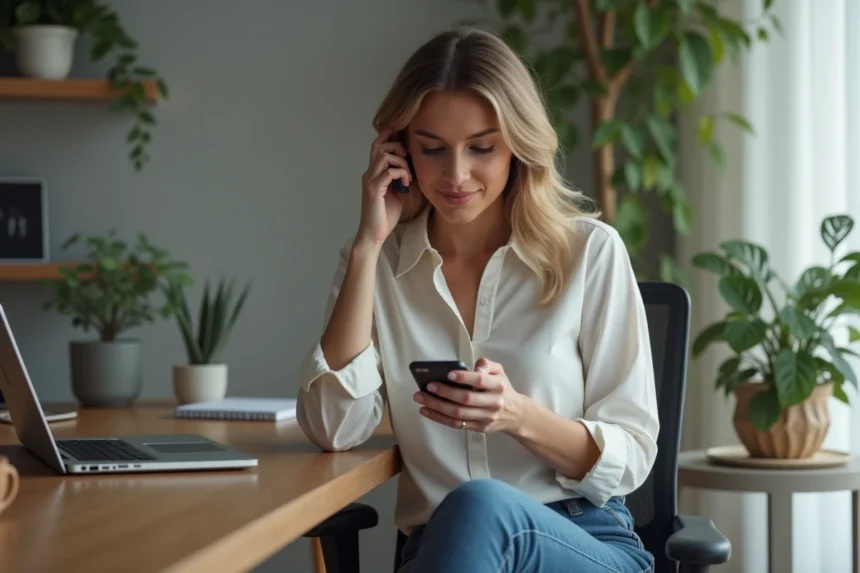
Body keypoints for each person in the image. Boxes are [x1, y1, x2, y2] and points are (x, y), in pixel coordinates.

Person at [297, 27, 659, 573]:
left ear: (517, 145)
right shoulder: (378, 264)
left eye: (482, 148)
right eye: (432, 149)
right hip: (443, 551)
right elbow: (333, 428)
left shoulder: (590, 253)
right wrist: (368, 245)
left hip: (581, 539)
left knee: (480, 505)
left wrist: (516, 414)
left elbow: (631, 454)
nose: (456, 174)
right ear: (399, 149)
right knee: (469, 512)